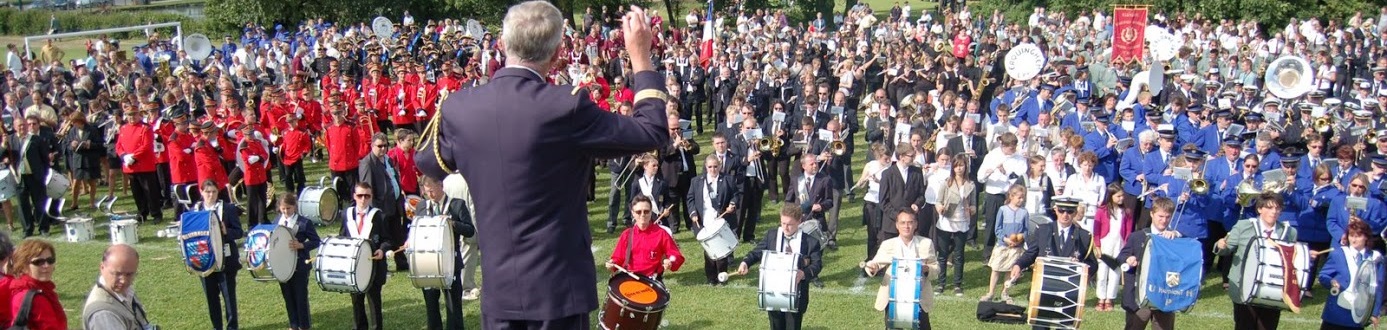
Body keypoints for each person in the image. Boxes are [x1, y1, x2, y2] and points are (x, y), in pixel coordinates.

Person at [414, 4, 668, 325]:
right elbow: (651, 130)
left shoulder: (460, 107)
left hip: (500, 296)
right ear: (558, 51)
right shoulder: (566, 106)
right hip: (559, 295)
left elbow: (427, 161)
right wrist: (641, 56)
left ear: (502, 45)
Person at [735, 204, 824, 330]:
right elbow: (757, 252)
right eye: (783, 223)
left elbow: (817, 264)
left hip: (796, 293)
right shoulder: (772, 235)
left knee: (792, 326)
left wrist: (803, 274)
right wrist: (745, 262)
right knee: (775, 326)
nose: (785, 228)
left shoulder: (810, 242)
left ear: (799, 221)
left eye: (790, 224)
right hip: (773, 291)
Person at [1215, 193, 1296, 330]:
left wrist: (1302, 255)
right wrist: (1220, 245)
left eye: (1277, 208)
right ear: (1259, 209)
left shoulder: (1289, 232)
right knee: (1244, 325)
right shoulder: (1243, 226)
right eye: (1269, 208)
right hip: (1244, 287)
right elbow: (1226, 249)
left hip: (1273, 288)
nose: (1274, 212)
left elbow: (1291, 259)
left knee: (1267, 326)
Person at [411, 177, 476, 330]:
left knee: (453, 306)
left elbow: (470, 230)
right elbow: (415, 231)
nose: (430, 195)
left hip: (450, 262)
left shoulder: (457, 204)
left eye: (432, 190)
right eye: (427, 192)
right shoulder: (422, 206)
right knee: (431, 306)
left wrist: (452, 223)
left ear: (441, 186)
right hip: (428, 264)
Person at [864, 210, 940, 330]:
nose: (906, 226)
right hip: (893, 298)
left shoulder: (926, 243)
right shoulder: (888, 244)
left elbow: (936, 268)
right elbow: (875, 264)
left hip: (918, 298)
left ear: (916, 224)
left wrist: (926, 269)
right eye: (903, 222)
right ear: (897, 225)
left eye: (910, 222)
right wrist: (872, 268)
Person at [1119, 197, 1181, 330]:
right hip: (1139, 296)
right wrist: (1128, 259)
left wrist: (1176, 234)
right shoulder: (1137, 236)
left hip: (1163, 296)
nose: (1164, 220)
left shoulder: (1175, 238)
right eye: (1160, 216)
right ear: (1152, 214)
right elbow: (1122, 256)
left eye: (1167, 217)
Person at [191, 180, 244, 330]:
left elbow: (239, 232)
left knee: (229, 297)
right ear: (201, 192)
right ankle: (217, 327)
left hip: (226, 259)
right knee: (211, 297)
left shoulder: (228, 208)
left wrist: (226, 231)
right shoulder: (195, 210)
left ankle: (232, 327)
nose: (211, 195)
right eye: (207, 192)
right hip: (204, 260)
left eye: (214, 191)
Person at [343, 182, 393, 330]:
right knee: (357, 301)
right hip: (354, 266)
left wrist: (382, 250)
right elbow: (342, 236)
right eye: (360, 195)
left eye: (367, 196)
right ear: (354, 196)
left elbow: (388, 240)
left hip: (374, 266)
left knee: (374, 301)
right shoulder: (346, 215)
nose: (363, 199)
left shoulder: (379, 215)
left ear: (371, 197)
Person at [1319, 219, 1385, 330]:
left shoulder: (1376, 258)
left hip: (1359, 312)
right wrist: (1331, 282)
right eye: (1351, 235)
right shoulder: (1338, 254)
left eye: (1358, 236)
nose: (1353, 240)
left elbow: (1378, 287)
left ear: (1366, 237)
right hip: (1336, 312)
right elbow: (1323, 275)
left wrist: (1374, 313)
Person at [1010, 197, 1094, 283]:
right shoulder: (1043, 230)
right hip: (1044, 282)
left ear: (1075, 213)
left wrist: (1083, 271)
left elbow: (1092, 263)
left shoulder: (1084, 236)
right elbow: (1031, 253)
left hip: (1070, 284)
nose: (1065, 215)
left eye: (1069, 211)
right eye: (1061, 210)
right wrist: (1018, 265)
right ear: (1056, 210)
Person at [607, 194, 685, 280]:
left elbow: (676, 256)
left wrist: (671, 262)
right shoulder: (626, 234)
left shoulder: (661, 234)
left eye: (646, 211)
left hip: (652, 281)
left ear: (651, 212)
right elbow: (617, 258)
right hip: (629, 280)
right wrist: (612, 263)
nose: (643, 214)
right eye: (638, 212)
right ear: (633, 213)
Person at [359, 132, 407, 271]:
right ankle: (382, 266)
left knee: (398, 235)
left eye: (385, 146)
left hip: (394, 204)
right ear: (372, 146)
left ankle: (401, 262)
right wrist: (375, 210)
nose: (383, 149)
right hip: (381, 208)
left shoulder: (387, 159)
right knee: (383, 239)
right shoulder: (367, 163)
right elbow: (366, 189)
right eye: (379, 146)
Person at [689, 154, 739, 285]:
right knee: (709, 249)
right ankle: (711, 277)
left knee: (721, 249)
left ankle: (722, 276)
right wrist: (693, 213)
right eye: (710, 167)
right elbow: (690, 199)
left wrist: (732, 205)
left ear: (720, 166)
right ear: (706, 167)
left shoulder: (728, 179)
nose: (713, 169)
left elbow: (735, 195)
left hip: (721, 219)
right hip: (703, 220)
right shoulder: (696, 181)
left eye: (715, 166)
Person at [272, 193, 320, 330]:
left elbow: (316, 241)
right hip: (282, 265)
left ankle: (304, 326)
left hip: (300, 266)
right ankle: (293, 325)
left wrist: (302, 245)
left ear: (295, 207)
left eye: (289, 208)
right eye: (283, 209)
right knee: (288, 297)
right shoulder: (276, 222)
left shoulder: (304, 222)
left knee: (300, 297)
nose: (286, 211)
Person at [6, 115, 56, 237]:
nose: (22, 127)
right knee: (23, 204)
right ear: (14, 127)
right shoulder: (9, 140)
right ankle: (27, 229)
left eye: (24, 125)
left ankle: (43, 228)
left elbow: (45, 159)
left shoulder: (36, 139)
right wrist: (3, 149)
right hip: (19, 177)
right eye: (19, 125)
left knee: (39, 202)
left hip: (35, 176)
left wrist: (44, 174)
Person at [82, 244, 151, 329]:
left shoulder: (123, 292)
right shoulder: (104, 314)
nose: (123, 281)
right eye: (117, 274)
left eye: (129, 274)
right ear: (102, 267)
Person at [982, 184, 1027, 303]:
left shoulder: (1024, 212)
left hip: (1016, 247)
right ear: (1011, 196)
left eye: (1023, 198)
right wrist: (1006, 239)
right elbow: (998, 228)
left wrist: (1020, 239)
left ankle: (1005, 293)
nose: (1021, 200)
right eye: (1019, 197)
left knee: (1009, 270)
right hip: (1003, 245)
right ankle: (991, 292)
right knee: (996, 269)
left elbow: (1026, 230)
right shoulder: (1003, 210)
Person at [6, 239, 65, 330]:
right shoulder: (36, 297)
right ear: (23, 266)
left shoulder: (20, 288)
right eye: (38, 262)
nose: (46, 265)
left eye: (50, 260)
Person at [1094, 183, 1133, 312]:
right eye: (1118, 196)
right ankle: (1101, 298)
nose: (1121, 198)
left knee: (1115, 272)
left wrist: (1126, 248)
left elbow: (1128, 231)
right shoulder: (1101, 210)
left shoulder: (1126, 212)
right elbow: (1096, 230)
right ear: (1110, 196)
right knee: (1102, 272)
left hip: (1119, 245)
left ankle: (1110, 298)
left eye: (1122, 196)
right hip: (1105, 244)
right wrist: (1097, 246)